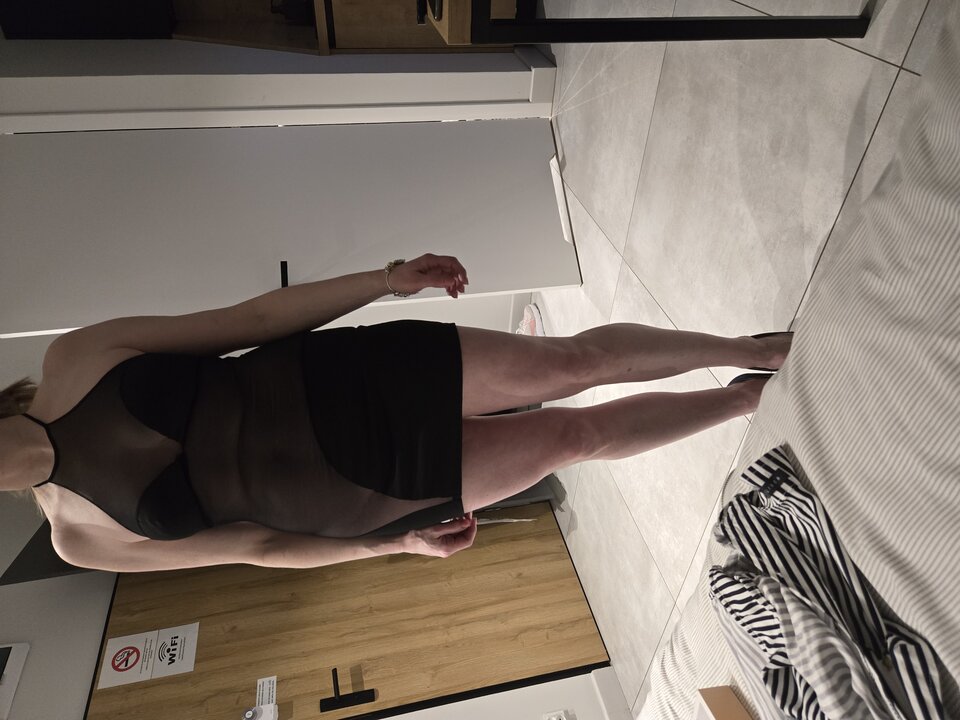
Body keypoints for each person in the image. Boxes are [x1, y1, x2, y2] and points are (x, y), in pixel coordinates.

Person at [0, 253, 790, 573]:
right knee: (572, 436)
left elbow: (249, 321)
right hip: (364, 495)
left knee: (571, 365)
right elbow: (257, 548)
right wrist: (392, 545)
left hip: (354, 379)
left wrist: (382, 281)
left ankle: (749, 349)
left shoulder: (74, 360)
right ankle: (741, 400)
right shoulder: (79, 540)